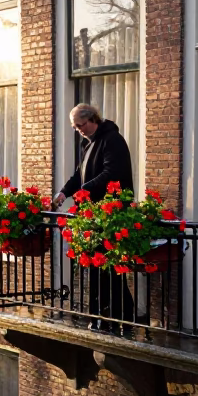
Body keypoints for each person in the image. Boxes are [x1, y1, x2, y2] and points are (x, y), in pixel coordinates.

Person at [53, 104, 136, 330]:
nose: (78, 130)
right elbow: (78, 174)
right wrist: (64, 192)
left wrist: (85, 190)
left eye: (80, 125)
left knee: (108, 269)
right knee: (100, 269)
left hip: (110, 216)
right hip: (95, 216)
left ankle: (118, 317)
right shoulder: (89, 144)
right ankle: (107, 316)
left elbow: (112, 174)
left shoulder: (112, 141)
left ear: (93, 119)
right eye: (74, 127)